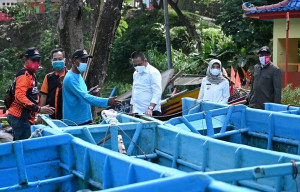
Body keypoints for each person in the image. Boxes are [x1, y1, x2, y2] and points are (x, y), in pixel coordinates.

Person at [63, 49, 121, 125]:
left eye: (86, 61)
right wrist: (107, 101)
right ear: (74, 60)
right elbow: (84, 97)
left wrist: (89, 92)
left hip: (84, 118)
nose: (85, 63)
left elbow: (79, 94)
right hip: (76, 121)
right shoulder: (70, 78)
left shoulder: (78, 75)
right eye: (82, 60)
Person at [7, 47, 54, 140]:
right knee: (23, 147)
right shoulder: (24, 75)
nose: (36, 62)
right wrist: (39, 109)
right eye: (33, 60)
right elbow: (20, 97)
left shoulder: (31, 74)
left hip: (25, 117)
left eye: (38, 60)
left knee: (22, 144)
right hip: (19, 117)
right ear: (26, 60)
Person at [130, 51, 162, 116]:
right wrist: (131, 109)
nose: (137, 67)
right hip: (137, 111)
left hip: (151, 112)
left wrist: (150, 108)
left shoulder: (153, 72)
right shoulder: (136, 74)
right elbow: (134, 91)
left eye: (139, 64)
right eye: (135, 65)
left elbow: (157, 92)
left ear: (145, 61)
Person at [40, 48, 67, 120]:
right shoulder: (49, 77)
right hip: (51, 116)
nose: (57, 61)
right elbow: (44, 96)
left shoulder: (70, 76)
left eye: (60, 59)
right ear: (51, 61)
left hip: (68, 116)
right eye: (55, 59)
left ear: (64, 60)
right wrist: (40, 114)